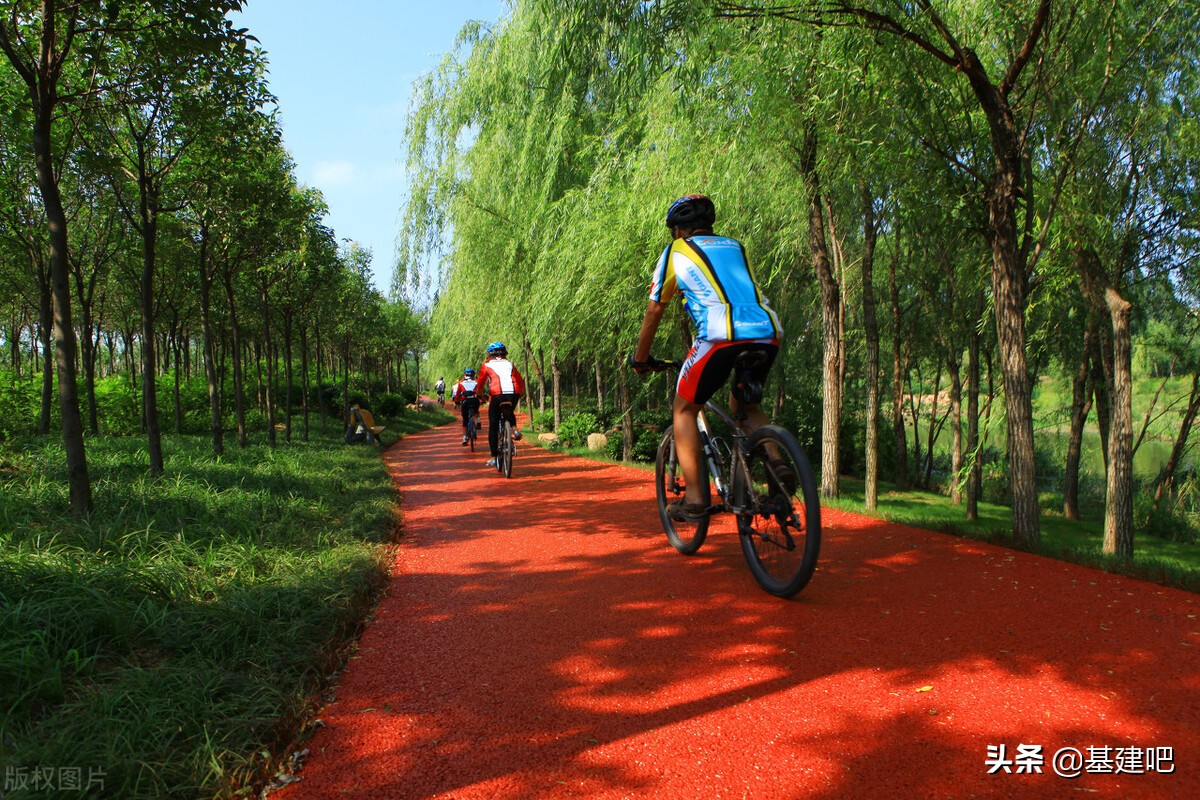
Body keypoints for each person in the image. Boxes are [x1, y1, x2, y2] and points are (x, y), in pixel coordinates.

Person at [632, 194, 783, 521]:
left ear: (677, 231)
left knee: (684, 409)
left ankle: (697, 497)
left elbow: (655, 307)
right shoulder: (735, 246)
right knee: (745, 405)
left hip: (720, 334)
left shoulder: (675, 251)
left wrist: (641, 357)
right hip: (767, 330)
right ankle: (778, 464)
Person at [477, 341, 524, 467]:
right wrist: (521, 394)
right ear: (504, 353)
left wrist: (479, 394)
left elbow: (480, 382)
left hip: (497, 395)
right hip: (514, 394)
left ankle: (493, 457)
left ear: (490, 354)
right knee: (509, 411)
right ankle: (514, 429)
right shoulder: (510, 364)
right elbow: (520, 381)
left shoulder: (486, 365)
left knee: (493, 425)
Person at [452, 368, 481, 445]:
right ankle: (478, 420)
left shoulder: (461, 383)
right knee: (476, 410)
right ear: (473, 375)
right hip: (474, 401)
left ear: (465, 375)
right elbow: (479, 392)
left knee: (465, 420)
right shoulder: (476, 382)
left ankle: (464, 437)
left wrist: (456, 401)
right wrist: (482, 399)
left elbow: (458, 394)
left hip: (465, 402)